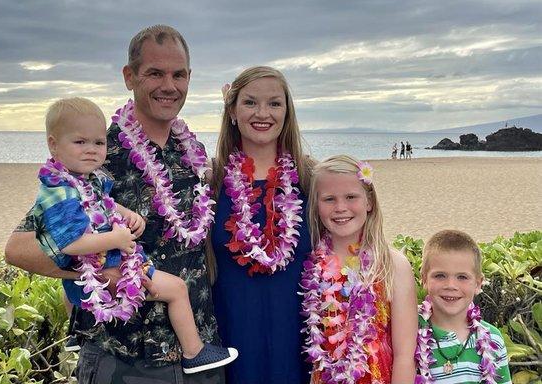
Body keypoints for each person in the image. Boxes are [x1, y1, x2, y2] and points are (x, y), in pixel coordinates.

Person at [5, 25, 227, 383]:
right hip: (125, 357)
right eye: (155, 73)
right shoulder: (94, 157)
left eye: (179, 74)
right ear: (129, 77)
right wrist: (100, 274)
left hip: (199, 353)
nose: (169, 86)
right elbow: (19, 248)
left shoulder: (191, 154)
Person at [34, 97, 237, 374]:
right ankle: (195, 352)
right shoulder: (65, 184)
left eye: (97, 143)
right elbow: (34, 245)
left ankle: (75, 334)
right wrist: (112, 257)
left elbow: (101, 200)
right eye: (80, 142)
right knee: (177, 289)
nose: (92, 149)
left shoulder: (187, 151)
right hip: (125, 355)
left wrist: (124, 212)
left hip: (204, 328)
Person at [210, 66, 314, 384]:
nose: (263, 113)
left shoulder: (311, 177)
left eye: (274, 103)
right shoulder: (209, 179)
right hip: (231, 336)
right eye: (251, 102)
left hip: (300, 339)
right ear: (232, 111)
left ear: (287, 111)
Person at [300, 155, 417, 383]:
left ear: (369, 201)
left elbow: (405, 355)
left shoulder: (392, 265)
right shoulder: (311, 265)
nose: (341, 207)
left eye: (351, 197)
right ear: (316, 205)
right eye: (329, 199)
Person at [415, 230, 511, 383]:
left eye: (462, 277)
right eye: (440, 275)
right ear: (424, 279)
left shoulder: (493, 339)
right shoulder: (410, 331)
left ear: (478, 284)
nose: (451, 285)